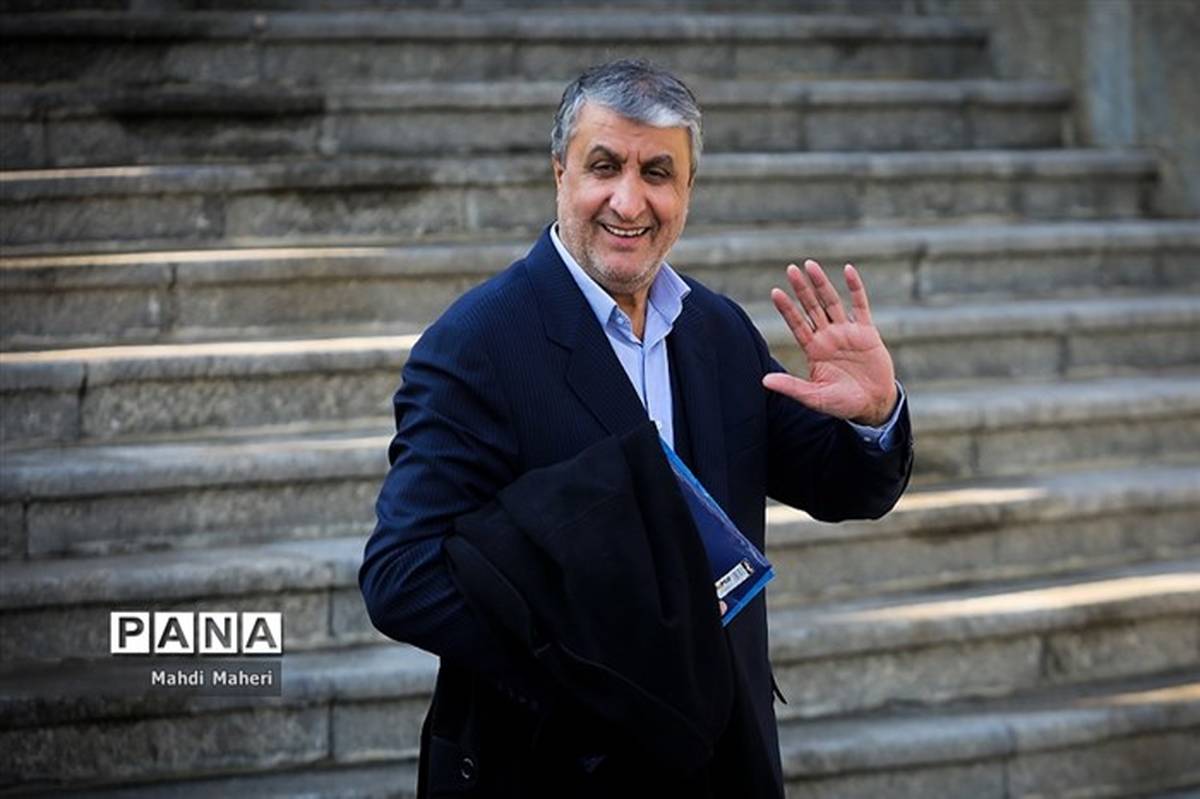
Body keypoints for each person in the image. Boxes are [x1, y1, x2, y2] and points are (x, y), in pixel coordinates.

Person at [361, 59, 913, 798]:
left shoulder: (717, 330)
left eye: (657, 172)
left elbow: (843, 487)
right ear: (560, 171)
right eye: (604, 166)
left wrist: (875, 415)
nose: (629, 200)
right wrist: (593, 665)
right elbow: (401, 576)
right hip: (558, 768)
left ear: (688, 190)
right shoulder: (477, 344)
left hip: (724, 761)